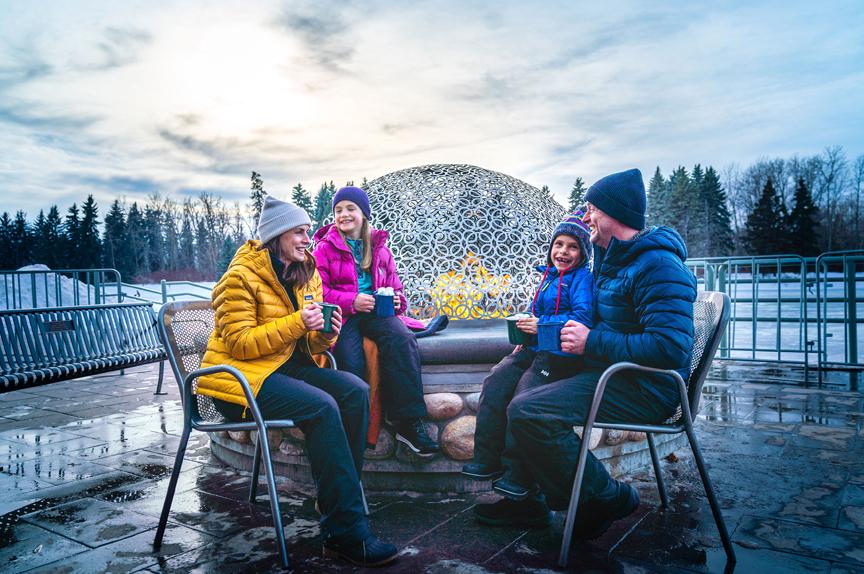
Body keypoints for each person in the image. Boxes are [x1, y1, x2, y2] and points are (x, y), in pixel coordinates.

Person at [472, 168, 697, 540]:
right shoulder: (615, 262)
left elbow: (670, 347)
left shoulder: (658, 266)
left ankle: (607, 497)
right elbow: (607, 324)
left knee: (529, 411)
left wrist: (591, 342)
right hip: (614, 372)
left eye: (592, 209)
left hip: (645, 387)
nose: (586, 216)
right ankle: (527, 498)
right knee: (514, 384)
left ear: (614, 214)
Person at [197, 196, 398, 567]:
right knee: (322, 407)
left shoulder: (305, 272)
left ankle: (335, 500)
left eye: (308, 231)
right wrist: (297, 323)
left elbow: (309, 343)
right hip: (240, 382)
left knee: (355, 391)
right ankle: (345, 531)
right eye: (300, 232)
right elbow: (240, 344)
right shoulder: (238, 277)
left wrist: (325, 334)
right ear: (277, 235)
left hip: (284, 369)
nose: (309, 239)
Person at [461, 210, 595, 508]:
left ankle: (518, 474)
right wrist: (525, 336)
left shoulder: (582, 279)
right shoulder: (547, 276)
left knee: (524, 394)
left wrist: (542, 325)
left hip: (560, 356)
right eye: (558, 244)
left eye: (572, 247)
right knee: (497, 380)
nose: (563, 251)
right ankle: (487, 459)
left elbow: (583, 318)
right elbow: (539, 314)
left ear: (583, 253)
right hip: (535, 348)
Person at [312, 186, 439, 456]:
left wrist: (396, 302)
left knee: (402, 338)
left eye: (350, 209)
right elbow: (317, 291)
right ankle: (354, 429)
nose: (344, 215)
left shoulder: (380, 249)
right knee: (350, 358)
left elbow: (398, 290)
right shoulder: (324, 249)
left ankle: (407, 421)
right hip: (343, 316)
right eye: (338, 210)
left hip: (376, 314)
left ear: (364, 214)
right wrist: (351, 300)